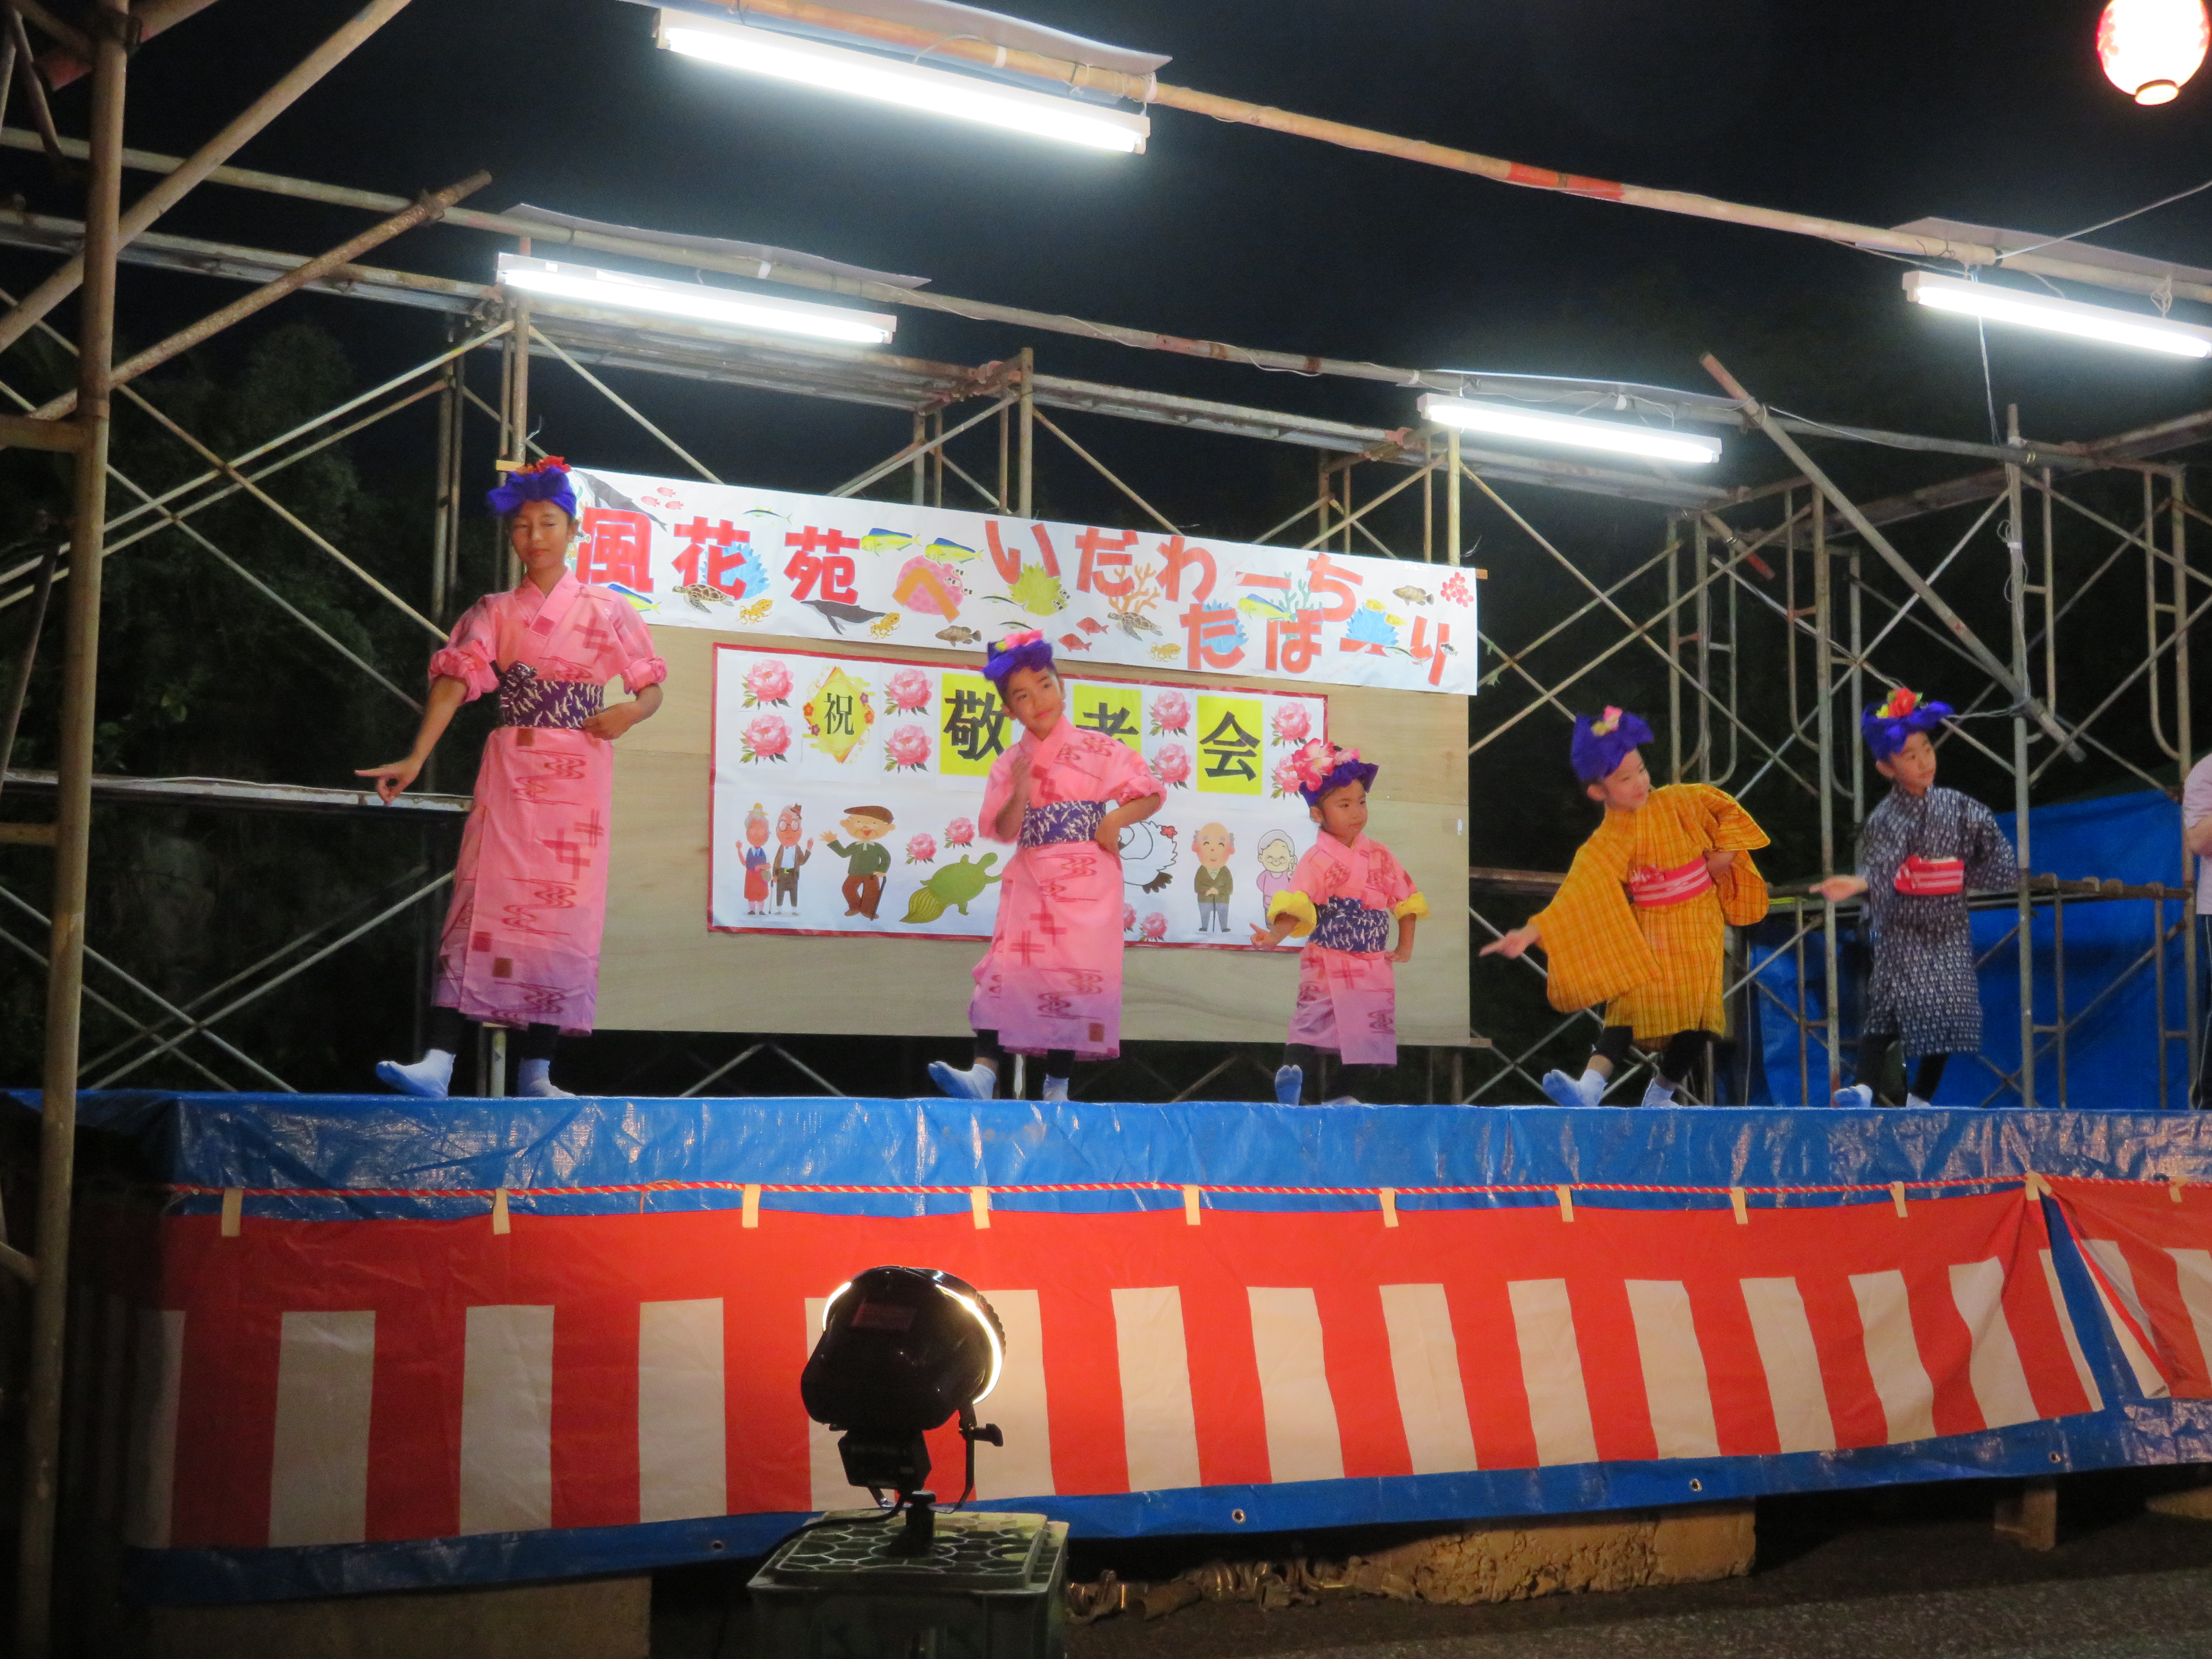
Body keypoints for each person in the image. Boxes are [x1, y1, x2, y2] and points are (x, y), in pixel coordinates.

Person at [358, 458, 667, 1098]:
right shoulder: (494, 609)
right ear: (512, 537)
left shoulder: (609, 608)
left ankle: (538, 1072)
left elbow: (651, 687)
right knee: (482, 900)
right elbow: (454, 682)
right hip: (513, 766)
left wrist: (631, 712)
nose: (536, 536)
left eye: (549, 523)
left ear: (573, 530)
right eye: (523, 526)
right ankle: (439, 1062)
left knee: (564, 913)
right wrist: (415, 758)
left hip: (581, 770)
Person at [1482, 707, 1769, 1108]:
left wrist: (1726, 854)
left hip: (1699, 923)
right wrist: (1532, 931)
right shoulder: (1608, 839)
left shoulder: (1680, 800)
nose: (1640, 783)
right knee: (1627, 1008)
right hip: (1652, 926)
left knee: (1701, 1018)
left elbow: (1728, 812)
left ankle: (1661, 1094)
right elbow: (1580, 889)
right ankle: (1590, 1087)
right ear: (1599, 792)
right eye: (1625, 778)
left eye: (1642, 770)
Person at [928, 630, 1163, 1103]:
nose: (1038, 701)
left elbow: (1151, 792)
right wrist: (1019, 791)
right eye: (1022, 696)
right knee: (1006, 969)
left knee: (1068, 981)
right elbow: (1004, 829)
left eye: (1045, 685)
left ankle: (1058, 1085)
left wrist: (1115, 819)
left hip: (1087, 880)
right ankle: (983, 1074)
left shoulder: (1100, 748)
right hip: (1032, 876)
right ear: (1008, 710)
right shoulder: (1010, 762)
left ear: (1062, 686)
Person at [1813, 687, 2017, 1108]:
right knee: (1889, 1004)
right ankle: (1865, 1087)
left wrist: (1977, 873)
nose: (1924, 761)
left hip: (1947, 922)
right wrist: (1860, 884)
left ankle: (1920, 1098)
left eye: (1927, 749)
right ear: (1887, 768)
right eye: (1910, 756)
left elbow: (1989, 844)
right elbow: (1883, 864)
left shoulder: (1959, 806)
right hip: (1903, 924)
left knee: (1948, 1008)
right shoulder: (1886, 817)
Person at [1250, 740, 1426, 1105]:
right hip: (1326, 959)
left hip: (1371, 962)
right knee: (1310, 1024)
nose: (1356, 812)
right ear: (1318, 814)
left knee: (1371, 1036)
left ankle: (1342, 1096)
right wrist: (1274, 936)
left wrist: (1405, 946)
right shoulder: (1317, 859)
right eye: (1344, 805)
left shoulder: (1380, 854)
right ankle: (1294, 1087)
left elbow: (1405, 899)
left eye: (1361, 802)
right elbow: (1298, 904)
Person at [820, 806, 895, 919]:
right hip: (855, 873)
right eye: (859, 823)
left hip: (872, 875)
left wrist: (882, 870)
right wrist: (833, 842)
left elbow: (886, 858)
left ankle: (867, 911)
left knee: (872, 893)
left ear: (889, 828)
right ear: (846, 824)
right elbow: (844, 853)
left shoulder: (878, 847)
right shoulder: (855, 846)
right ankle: (855, 907)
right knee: (848, 889)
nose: (866, 828)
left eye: (874, 824)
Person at [1193, 823, 1234, 932]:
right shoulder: (1201, 870)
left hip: (1222, 900)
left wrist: (1218, 891)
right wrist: (1208, 890)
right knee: (1205, 912)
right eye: (1206, 844)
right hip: (1204, 899)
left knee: (1223, 912)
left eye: (1220, 845)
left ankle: (1224, 927)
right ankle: (1204, 926)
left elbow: (1230, 888)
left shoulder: (1225, 871)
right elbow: (1197, 886)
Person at [771, 803, 810, 911]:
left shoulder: (797, 848)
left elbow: (802, 862)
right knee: (780, 892)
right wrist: (775, 875)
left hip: (793, 875)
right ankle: (779, 909)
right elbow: (776, 862)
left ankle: (794, 910)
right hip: (782, 874)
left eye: (794, 826)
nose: (788, 831)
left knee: (794, 893)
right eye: (783, 825)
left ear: (800, 830)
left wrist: (809, 849)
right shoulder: (781, 848)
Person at [742, 803, 771, 917]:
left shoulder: (764, 852)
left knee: (761, 895)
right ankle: (752, 910)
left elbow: (768, 865)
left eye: (762, 829)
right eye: (753, 828)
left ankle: (761, 910)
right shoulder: (749, 851)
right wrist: (739, 850)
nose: (757, 833)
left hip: (761, 877)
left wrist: (761, 867)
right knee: (751, 895)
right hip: (751, 877)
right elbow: (745, 863)